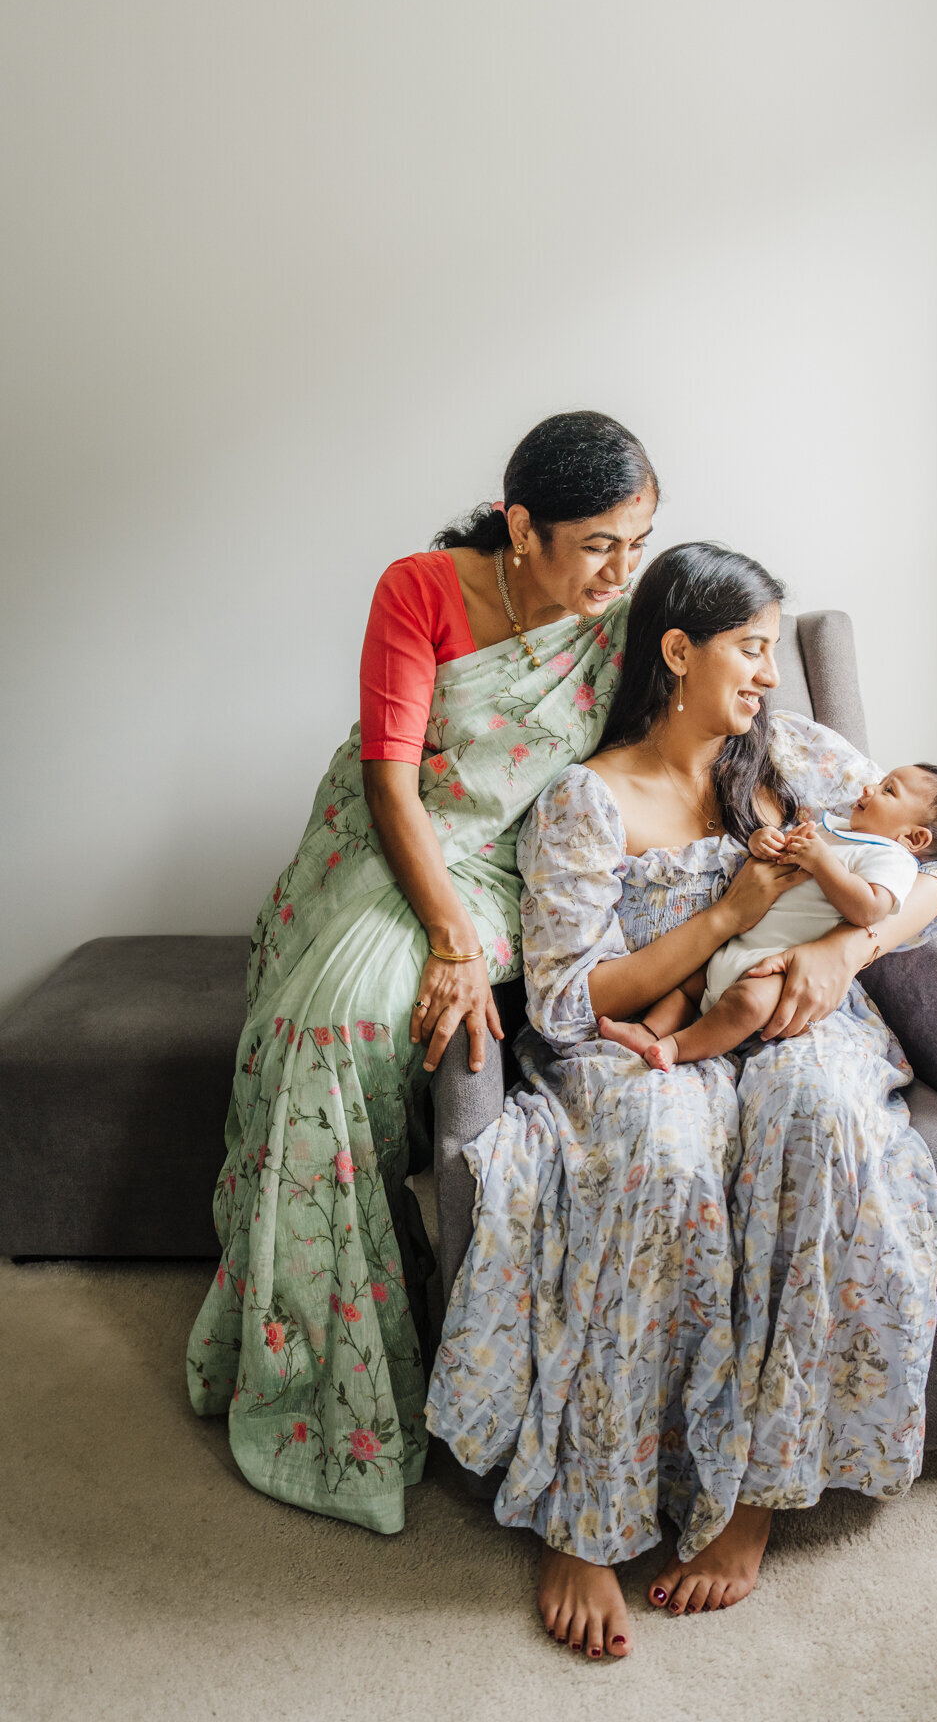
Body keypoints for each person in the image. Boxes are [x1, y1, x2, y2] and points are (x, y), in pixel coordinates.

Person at [426, 543, 937, 1660]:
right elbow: (572, 1001)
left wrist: (845, 953)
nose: (771, 674)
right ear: (678, 652)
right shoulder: (587, 799)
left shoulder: (802, 759)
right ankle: (587, 1516)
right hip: (642, 1038)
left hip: (794, 1022)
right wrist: (726, 918)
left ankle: (753, 1501)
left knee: (817, 1125)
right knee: (662, 1159)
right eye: (752, 649)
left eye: (775, 650)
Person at [186, 411, 657, 1533]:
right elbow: (394, 785)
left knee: (345, 1028)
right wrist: (447, 942)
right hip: (389, 845)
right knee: (319, 1034)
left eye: (638, 541)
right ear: (522, 525)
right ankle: (319, 1373)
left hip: (512, 863)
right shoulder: (422, 588)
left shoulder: (632, 620)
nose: (620, 570)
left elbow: (730, 703)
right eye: (599, 542)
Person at [600, 763, 937, 1070]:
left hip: (781, 968)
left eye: (888, 790)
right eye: (880, 781)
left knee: (747, 1004)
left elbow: (869, 909)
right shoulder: (834, 830)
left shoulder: (893, 861)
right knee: (687, 983)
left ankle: (675, 1047)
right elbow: (783, 851)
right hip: (743, 943)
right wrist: (763, 842)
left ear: (914, 838)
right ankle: (647, 1029)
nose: (869, 788)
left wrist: (822, 863)